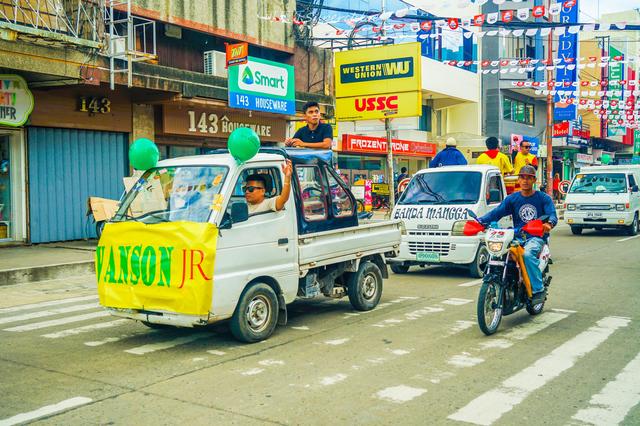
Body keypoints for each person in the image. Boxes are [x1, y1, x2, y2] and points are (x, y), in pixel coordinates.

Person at [477, 165, 557, 304]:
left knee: (526, 255)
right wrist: (480, 221)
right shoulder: (512, 199)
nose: (525, 181)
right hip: (516, 236)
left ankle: (538, 290)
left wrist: (548, 224)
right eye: (522, 177)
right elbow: (497, 213)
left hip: (535, 237)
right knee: (498, 253)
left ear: (534, 181)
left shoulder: (543, 198)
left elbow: (552, 215)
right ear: (518, 180)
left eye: (529, 178)